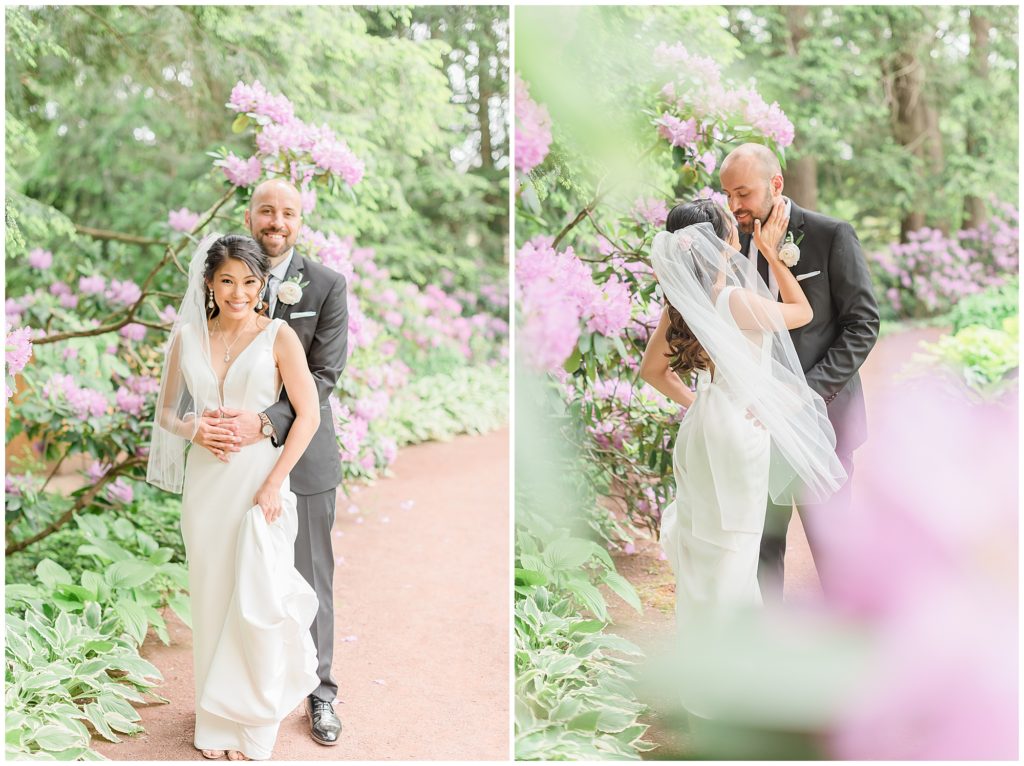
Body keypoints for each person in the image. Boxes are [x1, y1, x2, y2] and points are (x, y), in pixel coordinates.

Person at [147, 233, 322, 760]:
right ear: (210, 283)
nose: (238, 292)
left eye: (249, 282)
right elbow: (166, 413)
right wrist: (194, 429)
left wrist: (274, 482)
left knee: (256, 600)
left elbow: (308, 415)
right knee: (212, 596)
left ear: (263, 284)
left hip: (257, 482)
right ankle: (215, 721)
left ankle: (253, 725)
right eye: (227, 281)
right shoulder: (187, 336)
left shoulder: (279, 337)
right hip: (206, 485)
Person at [190, 178, 348, 744]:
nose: (276, 221)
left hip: (298, 460)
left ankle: (319, 694)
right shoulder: (222, 285)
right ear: (250, 216)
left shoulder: (326, 285)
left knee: (306, 580)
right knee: (236, 586)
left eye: (288, 213)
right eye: (266, 211)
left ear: (300, 222)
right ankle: (236, 697)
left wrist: (263, 423)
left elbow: (324, 377)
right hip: (226, 470)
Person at [641, 198, 845, 617]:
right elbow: (802, 312)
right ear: (720, 243)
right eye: (731, 227)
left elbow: (652, 372)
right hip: (738, 427)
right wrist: (774, 257)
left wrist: (700, 402)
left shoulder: (680, 305)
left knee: (703, 544)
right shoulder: (733, 299)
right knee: (737, 543)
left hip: (702, 425)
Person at [718, 143, 879, 601]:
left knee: (830, 543)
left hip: (822, 421)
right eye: (728, 194)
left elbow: (863, 324)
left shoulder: (832, 235)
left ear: (775, 184)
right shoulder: (734, 244)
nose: (734, 206)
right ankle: (770, 649)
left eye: (743, 193)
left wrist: (805, 393)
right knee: (763, 545)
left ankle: (845, 646)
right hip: (758, 424)